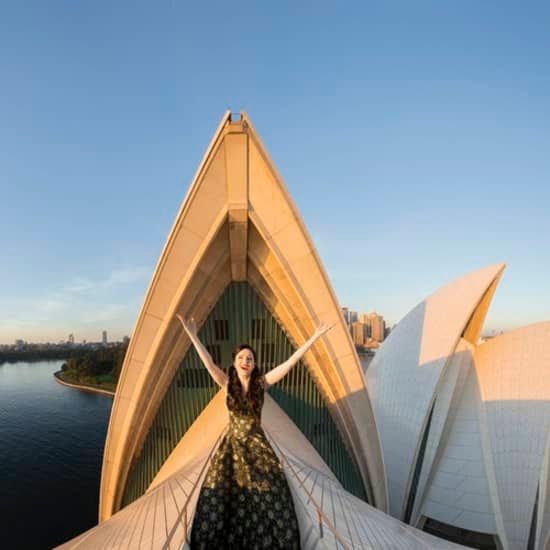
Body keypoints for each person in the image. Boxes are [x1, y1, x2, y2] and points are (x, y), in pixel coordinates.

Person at [175, 314, 335, 549]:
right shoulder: (227, 383)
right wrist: (192, 335)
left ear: (254, 364)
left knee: (270, 497)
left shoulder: (261, 385)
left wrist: (314, 337)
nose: (245, 360)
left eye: (250, 358)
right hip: (231, 449)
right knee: (220, 499)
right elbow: (208, 363)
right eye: (241, 357)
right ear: (235, 362)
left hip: (258, 449)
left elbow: (289, 363)